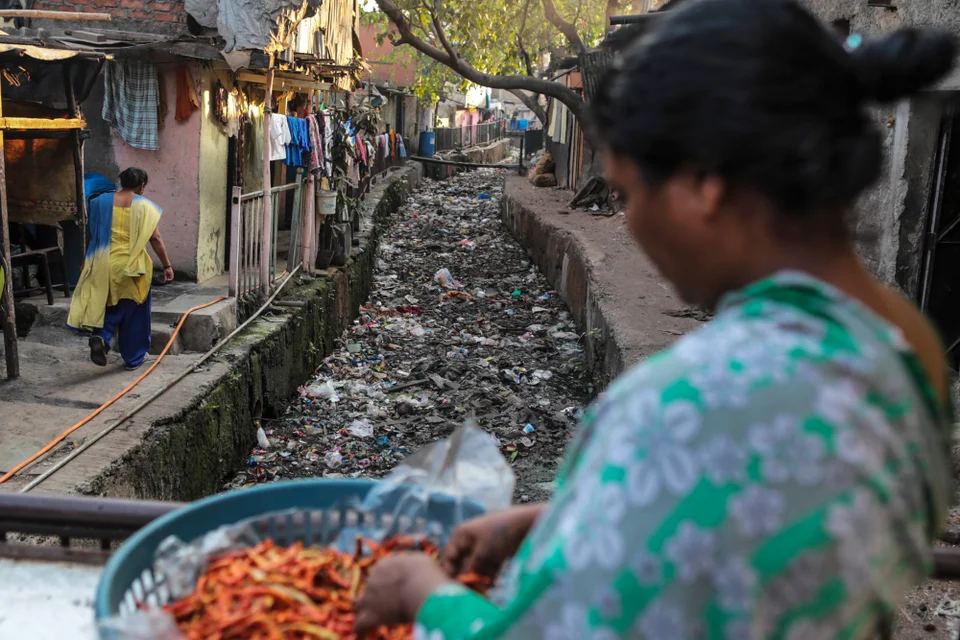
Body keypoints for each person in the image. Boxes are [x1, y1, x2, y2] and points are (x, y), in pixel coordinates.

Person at [353, 1, 958, 638]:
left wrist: (424, 595)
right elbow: (767, 521)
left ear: (702, 183)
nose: (630, 224)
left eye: (629, 193)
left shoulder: (678, 408)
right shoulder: (905, 345)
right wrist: (550, 518)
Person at [67, 167, 173, 371]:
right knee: (135, 311)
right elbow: (155, 238)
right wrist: (167, 265)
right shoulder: (146, 207)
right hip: (133, 266)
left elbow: (94, 235)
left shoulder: (98, 203)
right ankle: (134, 357)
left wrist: (86, 261)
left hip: (103, 262)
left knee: (108, 303)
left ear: (121, 182)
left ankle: (103, 336)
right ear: (142, 186)